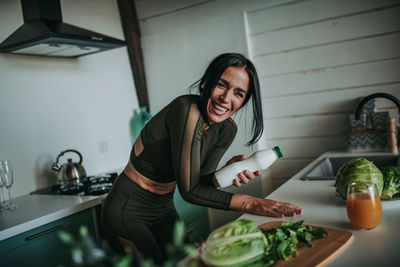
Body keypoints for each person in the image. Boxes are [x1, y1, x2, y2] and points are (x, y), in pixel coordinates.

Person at [101, 53, 302, 263]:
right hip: (127, 208)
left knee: (190, 262)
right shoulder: (186, 110)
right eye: (221, 85)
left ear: (243, 102)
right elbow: (189, 191)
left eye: (238, 93)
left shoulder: (226, 130)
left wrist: (223, 174)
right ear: (206, 83)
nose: (226, 98)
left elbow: (200, 182)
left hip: (163, 209)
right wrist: (250, 203)